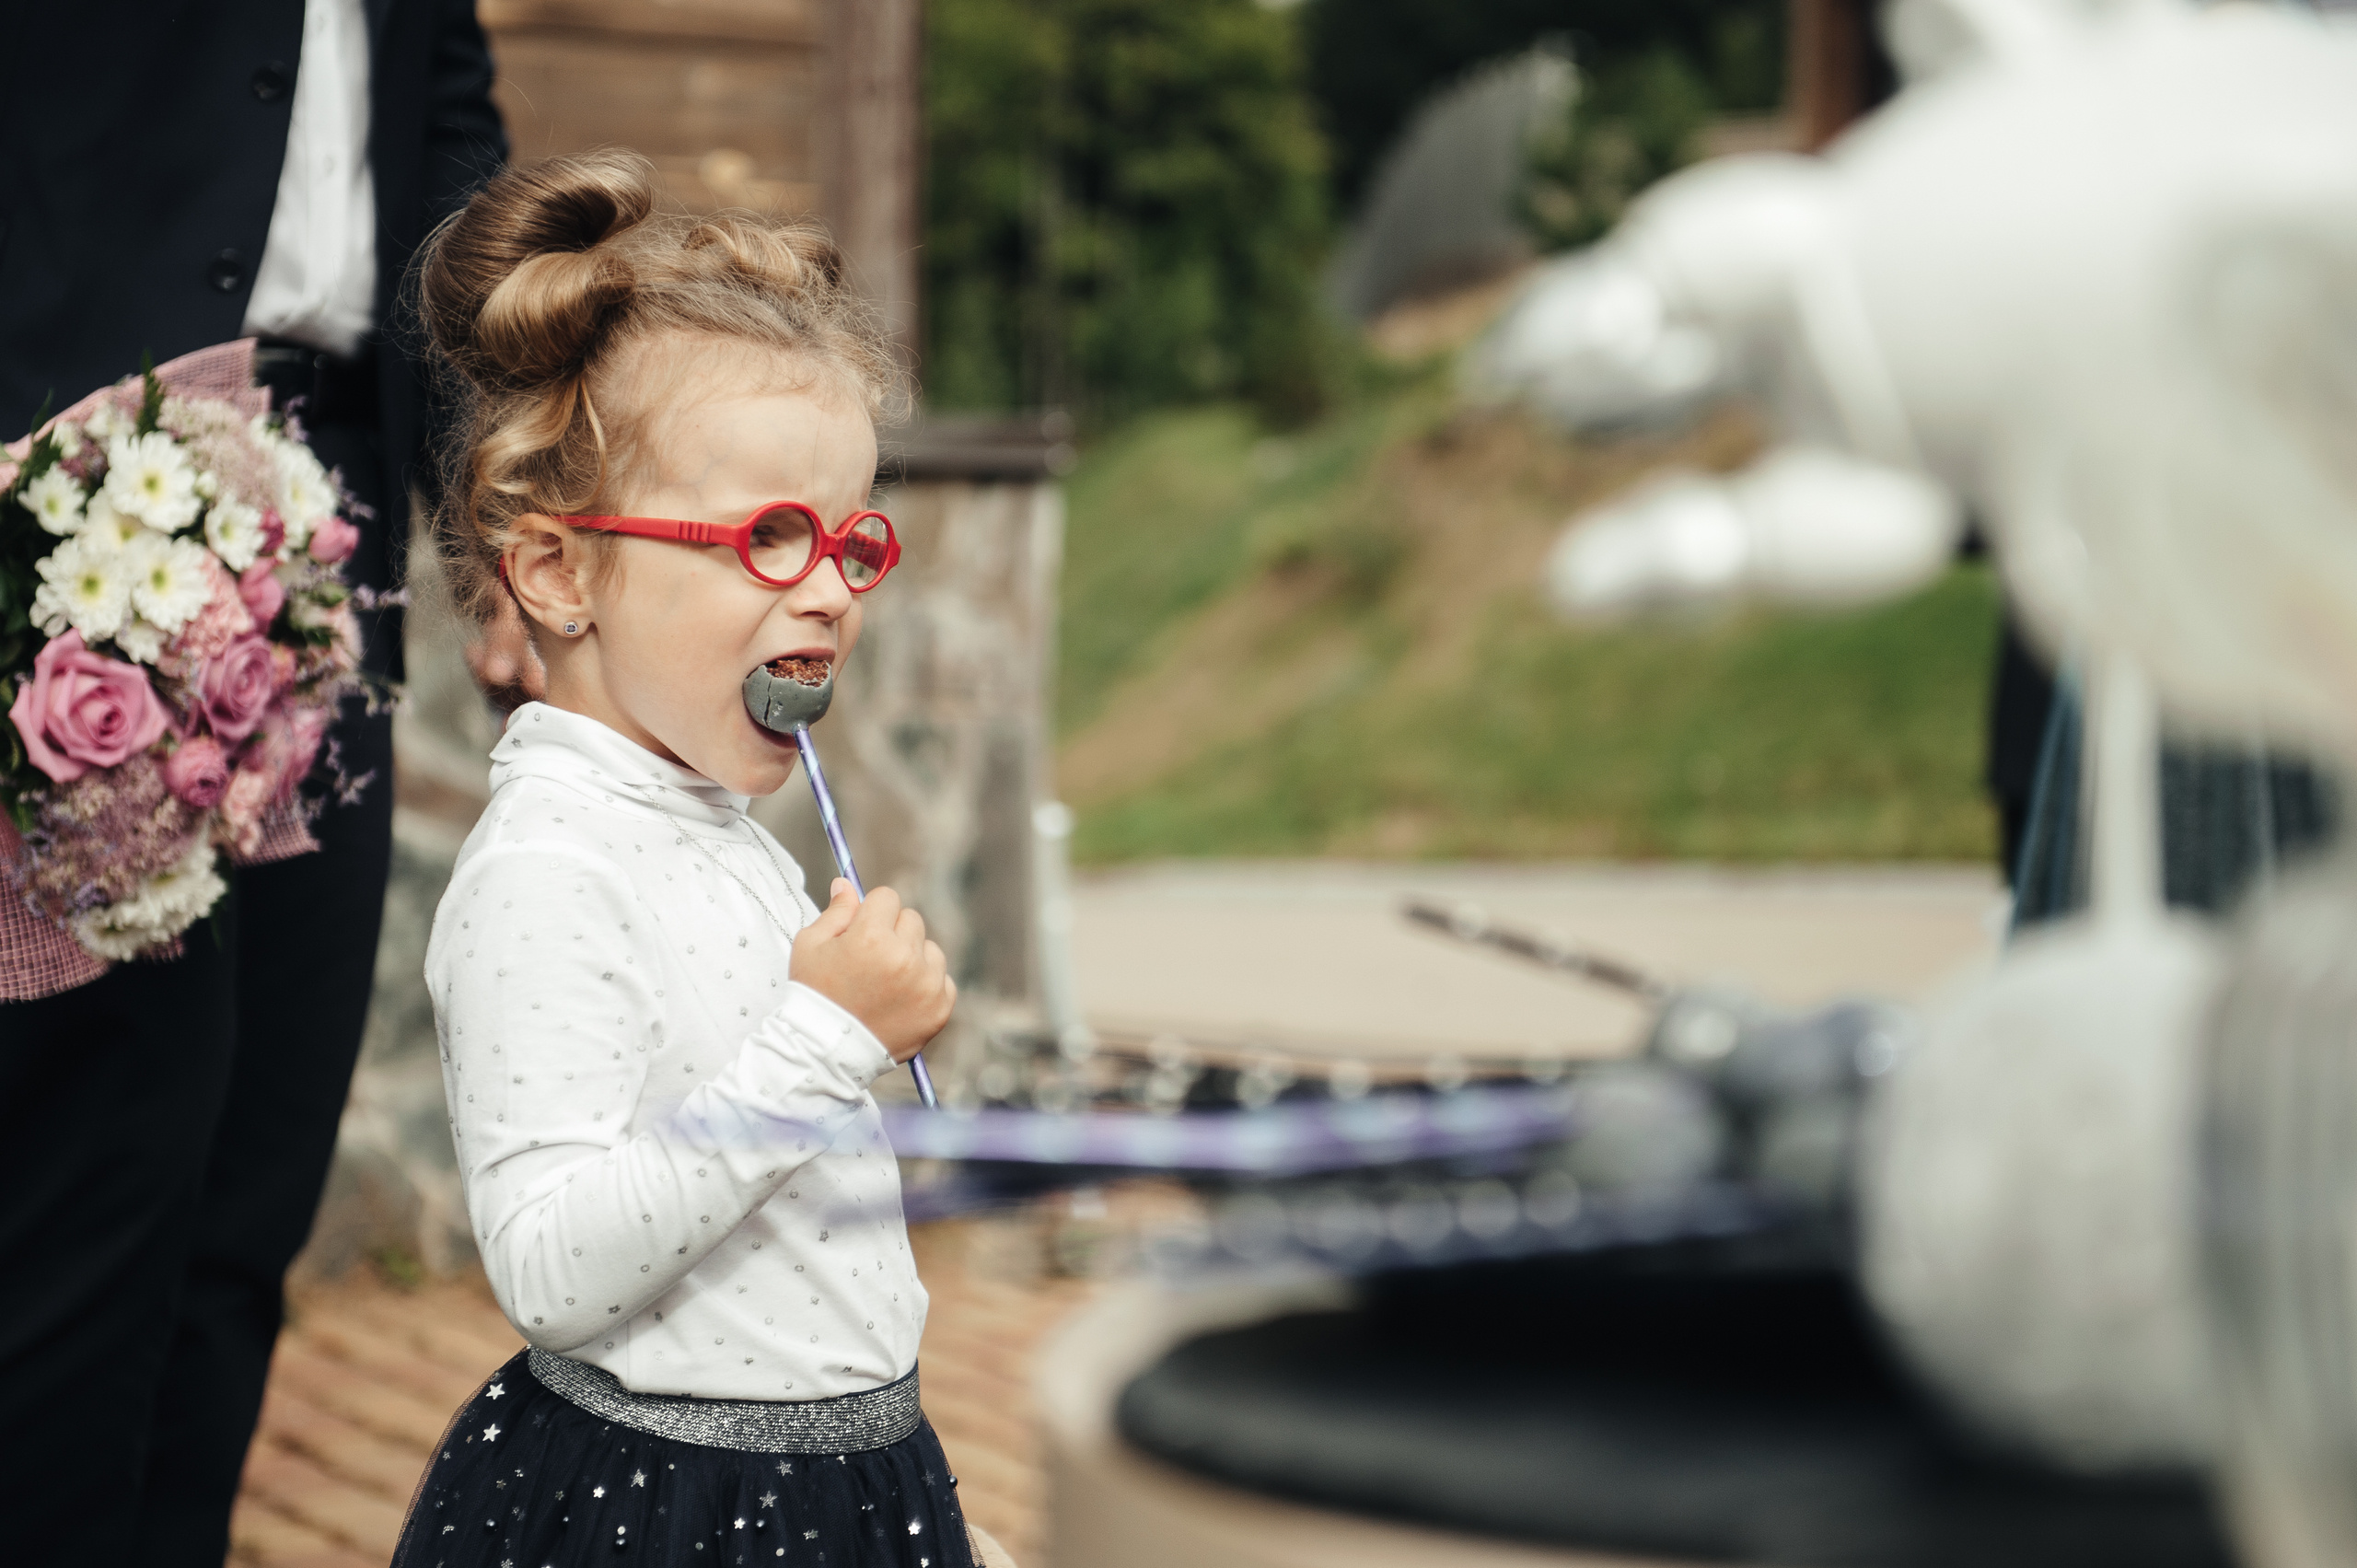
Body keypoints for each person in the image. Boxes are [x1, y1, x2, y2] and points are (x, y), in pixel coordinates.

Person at [394, 150, 984, 1567]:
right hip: (674, 1512)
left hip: (845, 1485)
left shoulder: (711, 827)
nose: (832, 591)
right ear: (558, 572)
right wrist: (823, 1036)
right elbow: (550, 1266)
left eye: (851, 540)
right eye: (770, 538)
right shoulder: (551, 869)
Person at [0, 3, 505, 1562]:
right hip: (85, 458)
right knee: (88, 1178)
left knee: (248, 1178)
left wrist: (488, 510)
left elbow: (448, 138)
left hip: (343, 486)